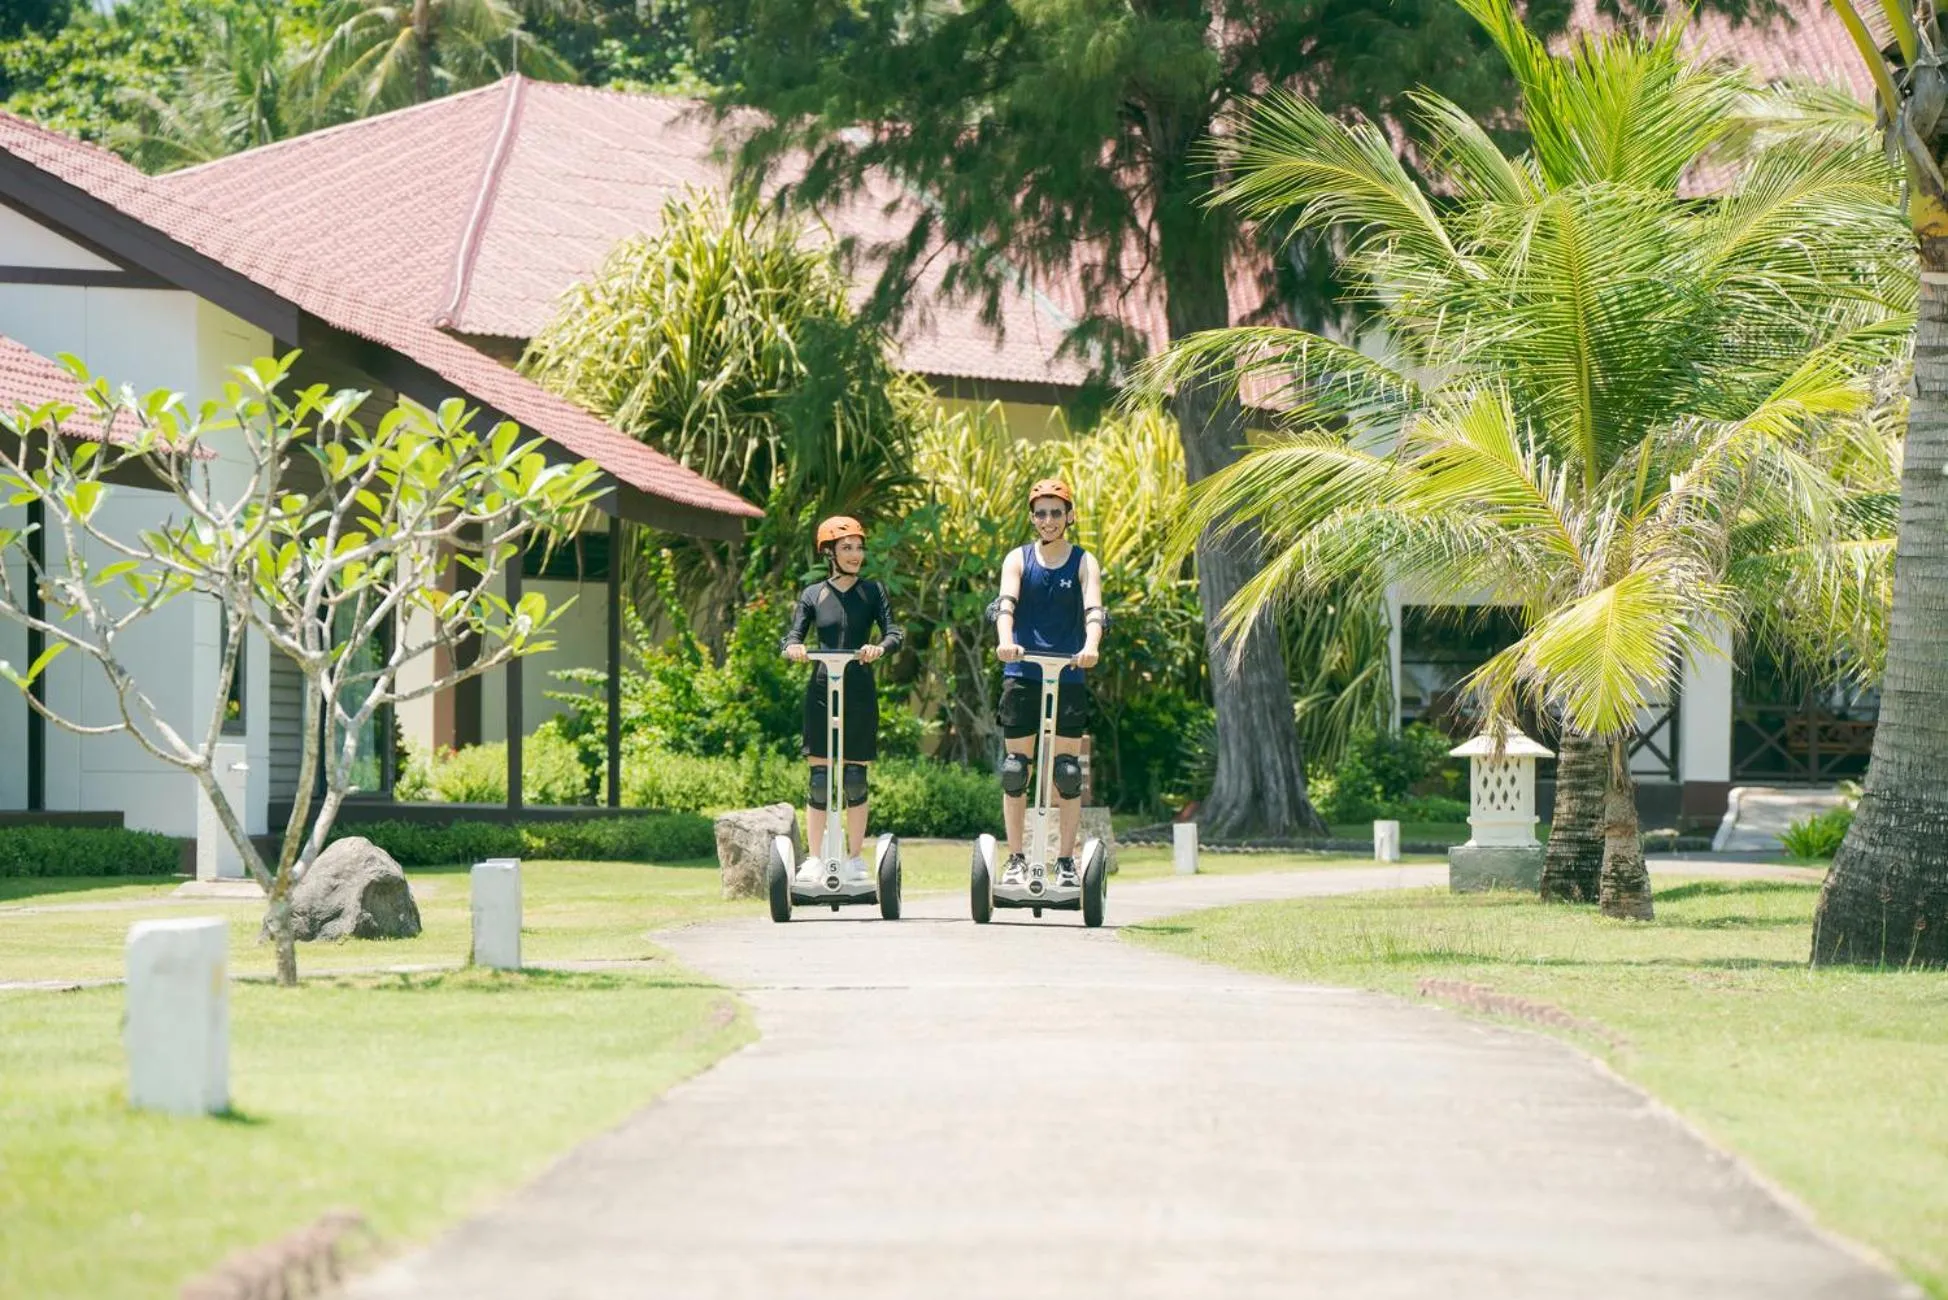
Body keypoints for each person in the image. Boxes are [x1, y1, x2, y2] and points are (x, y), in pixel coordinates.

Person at [992, 478, 1106, 889]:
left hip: (1069, 673)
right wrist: (1006, 641)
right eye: (1041, 513)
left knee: (1067, 772)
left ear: (1069, 516)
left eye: (1056, 512)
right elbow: (1006, 605)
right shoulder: (1018, 559)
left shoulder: (1083, 561)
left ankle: (1066, 863)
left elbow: (1095, 609)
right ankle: (1017, 859)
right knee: (1014, 770)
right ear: (1032, 518)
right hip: (1022, 673)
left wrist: (1091, 646)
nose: (1048, 520)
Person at [782, 515, 904, 882]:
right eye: (846, 548)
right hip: (822, 690)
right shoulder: (813, 594)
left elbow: (894, 632)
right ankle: (815, 859)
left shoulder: (872, 592)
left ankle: (853, 858)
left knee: (854, 777)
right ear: (829, 552)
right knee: (820, 778)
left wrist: (878, 647)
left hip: (859, 690)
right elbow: (791, 637)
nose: (855, 555)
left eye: (858, 548)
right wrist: (795, 649)